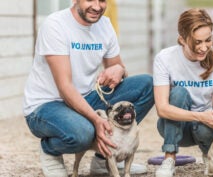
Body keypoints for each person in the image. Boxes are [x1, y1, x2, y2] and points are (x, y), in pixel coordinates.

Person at [23, 1, 154, 177]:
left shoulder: (105, 25)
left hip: (86, 98)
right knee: (84, 133)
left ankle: (105, 157)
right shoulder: (55, 25)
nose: (97, 7)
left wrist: (120, 70)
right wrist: (96, 120)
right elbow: (64, 87)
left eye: (102, 0)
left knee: (147, 85)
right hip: (47, 106)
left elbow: (117, 69)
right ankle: (50, 151)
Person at [153, 8, 213, 177]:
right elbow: (162, 109)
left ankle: (210, 155)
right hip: (174, 127)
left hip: (204, 127)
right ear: (182, 39)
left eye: (208, 40)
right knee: (178, 92)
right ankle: (169, 158)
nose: (204, 48)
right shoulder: (164, 58)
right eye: (197, 42)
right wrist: (200, 115)